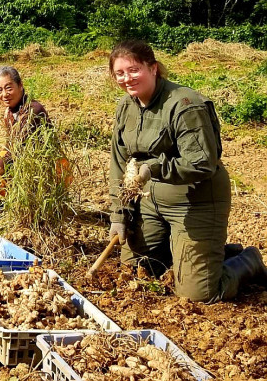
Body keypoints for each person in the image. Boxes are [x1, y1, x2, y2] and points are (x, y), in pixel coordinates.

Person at [108, 39, 267, 302]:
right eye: (120, 73)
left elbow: (203, 162)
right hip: (150, 202)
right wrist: (119, 214)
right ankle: (200, 255)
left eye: (134, 70)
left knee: (199, 294)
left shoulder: (184, 104)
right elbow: (118, 163)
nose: (127, 78)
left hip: (195, 200)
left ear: (154, 68)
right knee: (138, 270)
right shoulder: (126, 107)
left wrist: (154, 167)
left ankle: (247, 261)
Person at [0, 66, 51, 195]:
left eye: (9, 88)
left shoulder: (32, 111)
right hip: (24, 164)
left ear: (20, 85)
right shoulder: (9, 112)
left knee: (2, 165)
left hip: (45, 171)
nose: (4, 94)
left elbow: (18, 151)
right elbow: (10, 148)